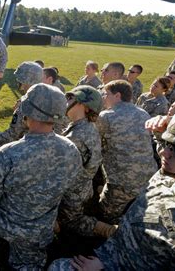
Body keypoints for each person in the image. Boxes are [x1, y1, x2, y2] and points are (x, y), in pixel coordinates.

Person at [48, 105, 175, 270]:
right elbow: (172, 149)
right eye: (168, 144)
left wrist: (104, 268)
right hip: (113, 249)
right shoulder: (171, 176)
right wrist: (163, 131)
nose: (163, 152)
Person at [0, 83, 82, 270]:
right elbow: (73, 195)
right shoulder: (71, 150)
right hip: (40, 232)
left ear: (27, 113)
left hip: (8, 224)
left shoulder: (8, 153)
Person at [57, 86, 116, 238]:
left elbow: (60, 172)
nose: (66, 101)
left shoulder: (77, 135)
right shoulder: (84, 127)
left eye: (70, 98)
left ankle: (109, 231)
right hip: (82, 187)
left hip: (73, 191)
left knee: (70, 222)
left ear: (83, 105)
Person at [96, 80, 156, 223]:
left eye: (106, 94)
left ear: (117, 96)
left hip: (121, 181)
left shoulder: (106, 116)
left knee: (105, 216)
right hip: (148, 177)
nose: (103, 97)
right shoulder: (143, 113)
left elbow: (94, 143)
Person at [0, 61, 43, 167]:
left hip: (28, 150)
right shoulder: (51, 95)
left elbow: (10, 137)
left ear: (25, 81)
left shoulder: (26, 105)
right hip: (47, 147)